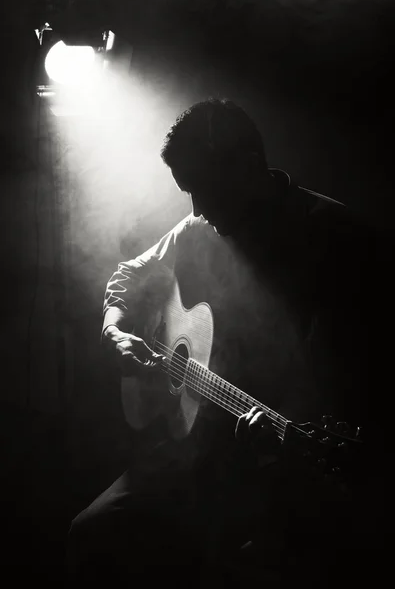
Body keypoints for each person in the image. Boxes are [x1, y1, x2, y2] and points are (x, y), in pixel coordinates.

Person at [67, 98, 392, 587]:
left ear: (245, 167)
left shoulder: (338, 240)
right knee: (90, 532)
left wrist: (286, 443)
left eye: (203, 189)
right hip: (205, 446)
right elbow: (129, 276)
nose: (196, 209)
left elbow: (365, 383)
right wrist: (115, 331)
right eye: (188, 193)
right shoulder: (201, 226)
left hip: (297, 465)